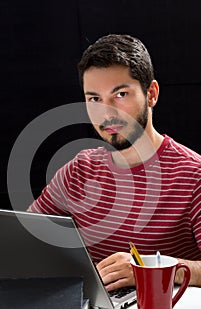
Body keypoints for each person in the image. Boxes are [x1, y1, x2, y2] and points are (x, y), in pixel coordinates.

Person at [28, 34, 201, 289]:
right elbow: (27, 240)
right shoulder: (78, 171)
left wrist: (152, 268)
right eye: (94, 99)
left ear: (151, 94)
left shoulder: (193, 174)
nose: (107, 113)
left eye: (120, 94)